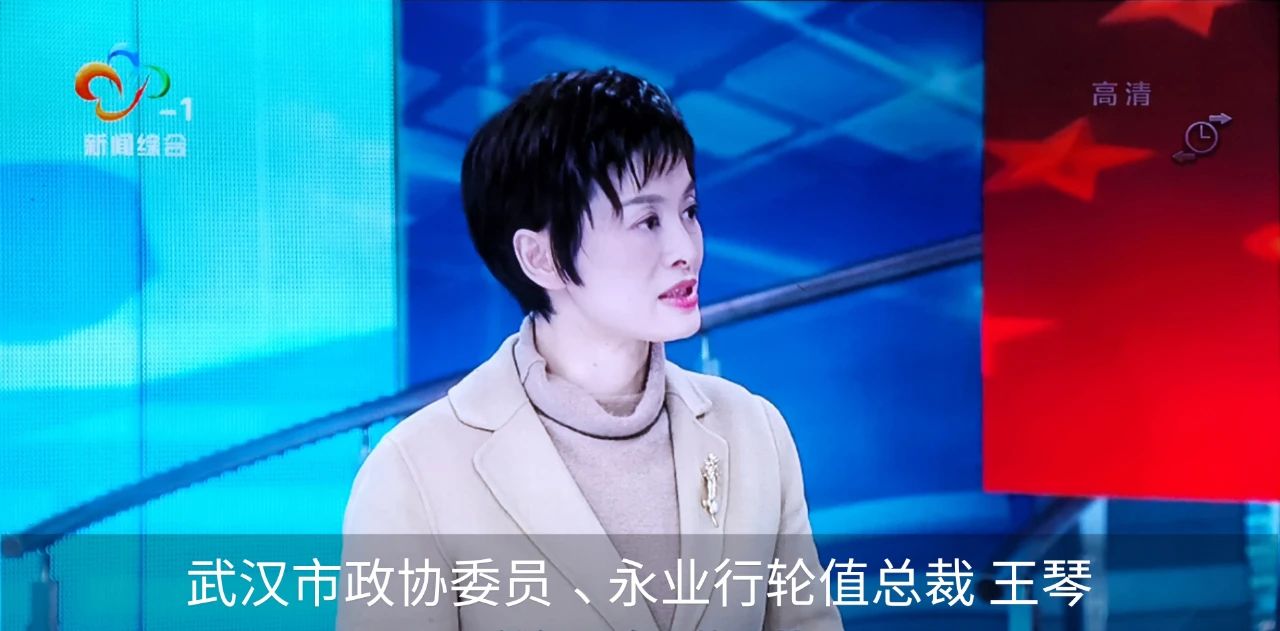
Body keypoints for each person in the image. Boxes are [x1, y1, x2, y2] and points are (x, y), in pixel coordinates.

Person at [339, 67, 842, 631]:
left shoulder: (755, 432)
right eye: (647, 220)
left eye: (689, 211)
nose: (685, 247)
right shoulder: (415, 473)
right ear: (542, 258)